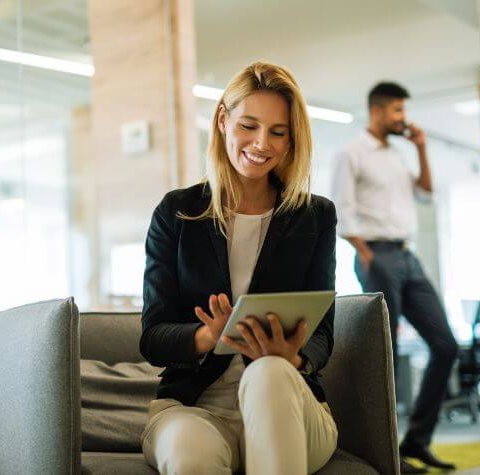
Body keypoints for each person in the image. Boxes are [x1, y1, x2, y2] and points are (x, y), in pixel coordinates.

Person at [140, 61, 338, 475]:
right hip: (194, 408)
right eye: (249, 125)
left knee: (268, 371)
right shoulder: (177, 212)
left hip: (289, 404)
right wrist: (206, 336)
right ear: (222, 120)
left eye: (278, 132)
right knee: (190, 455)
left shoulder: (314, 216)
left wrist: (293, 359)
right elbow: (153, 338)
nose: (261, 143)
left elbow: (322, 334)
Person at [331, 82, 458, 474]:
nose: (403, 118)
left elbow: (425, 194)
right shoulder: (351, 154)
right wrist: (368, 257)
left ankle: (417, 440)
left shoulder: (397, 155)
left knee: (445, 345)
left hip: (407, 256)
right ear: (378, 110)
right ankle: (388, 453)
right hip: (378, 255)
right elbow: (341, 211)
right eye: (398, 111)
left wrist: (420, 147)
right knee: (384, 356)